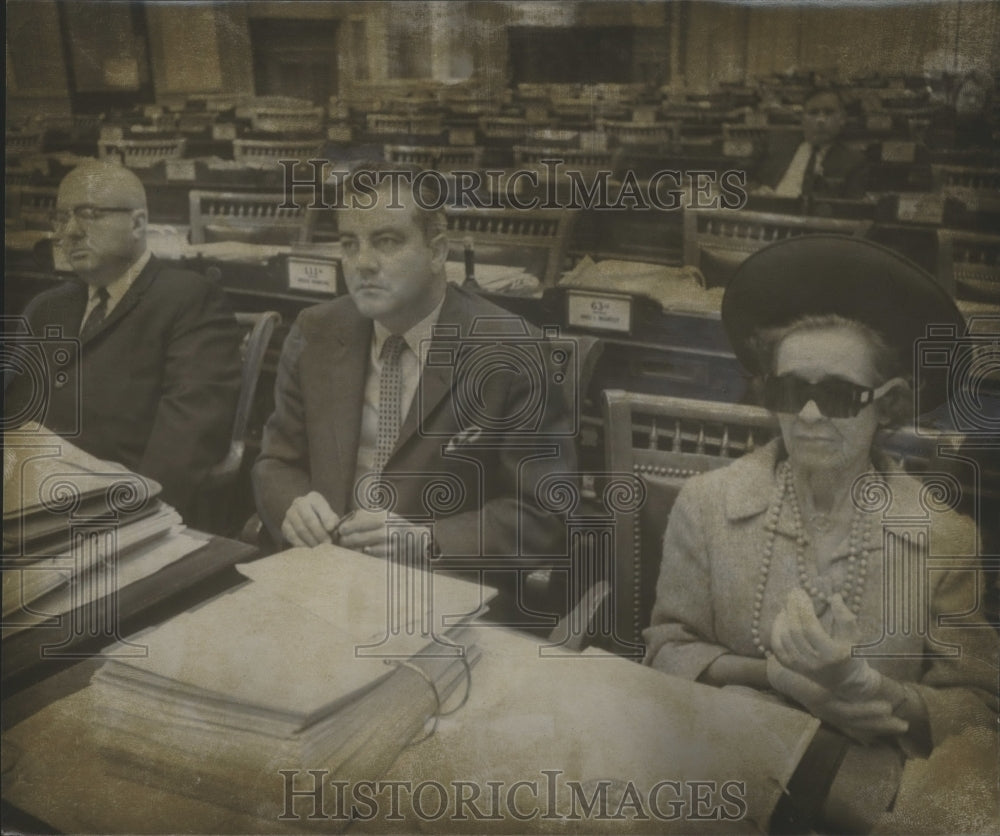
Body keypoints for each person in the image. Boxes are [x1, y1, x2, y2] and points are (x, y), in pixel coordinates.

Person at [643, 236, 998, 832]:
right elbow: (666, 649)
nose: (808, 415)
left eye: (836, 394)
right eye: (790, 390)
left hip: (865, 799)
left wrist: (868, 687)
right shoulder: (707, 505)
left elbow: (978, 710)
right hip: (718, 776)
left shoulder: (943, 535)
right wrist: (781, 679)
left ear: (887, 405)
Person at [253, 164, 576, 564]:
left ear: (438, 251)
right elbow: (276, 463)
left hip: (436, 586)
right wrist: (293, 505)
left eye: (386, 241)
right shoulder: (315, 331)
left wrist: (427, 541)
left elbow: (543, 514)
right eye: (349, 244)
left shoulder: (512, 350)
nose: (363, 263)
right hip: (325, 571)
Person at [4, 161, 242, 518]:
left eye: (87, 213)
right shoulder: (46, 309)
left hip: (118, 515)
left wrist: (127, 515)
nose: (69, 231)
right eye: (60, 218)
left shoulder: (189, 299)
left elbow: (186, 442)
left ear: (138, 223)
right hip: (29, 510)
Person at [753, 89, 869, 200]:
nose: (821, 120)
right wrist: (756, 191)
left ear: (842, 119)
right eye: (813, 113)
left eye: (829, 112)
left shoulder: (854, 162)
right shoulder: (776, 144)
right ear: (802, 119)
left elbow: (852, 209)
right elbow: (747, 178)